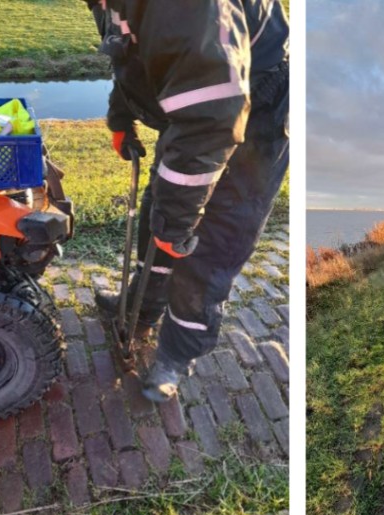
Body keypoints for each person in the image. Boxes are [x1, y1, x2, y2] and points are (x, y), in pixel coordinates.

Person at [84, 0, 290, 403]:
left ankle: (176, 355)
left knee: (211, 240)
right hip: (200, 103)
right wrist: (120, 117)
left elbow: (212, 115)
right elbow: (132, 51)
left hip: (255, 106)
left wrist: (178, 223)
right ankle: (143, 307)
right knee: (160, 208)